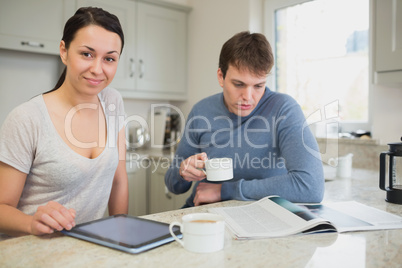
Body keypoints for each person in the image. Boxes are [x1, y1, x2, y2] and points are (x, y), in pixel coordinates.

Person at [0, 7, 128, 237]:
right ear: (64, 51)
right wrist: (31, 223)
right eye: (87, 54)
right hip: (31, 251)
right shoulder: (26, 119)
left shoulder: (112, 101)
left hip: (86, 249)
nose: (97, 69)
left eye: (109, 58)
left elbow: (118, 179)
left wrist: (124, 236)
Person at [165, 31, 324, 207]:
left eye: (258, 86)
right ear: (221, 77)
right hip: (203, 213)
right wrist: (182, 173)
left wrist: (225, 191)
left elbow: (311, 187)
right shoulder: (201, 111)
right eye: (239, 84)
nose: (248, 97)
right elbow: (174, 186)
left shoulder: (283, 109)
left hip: (261, 216)